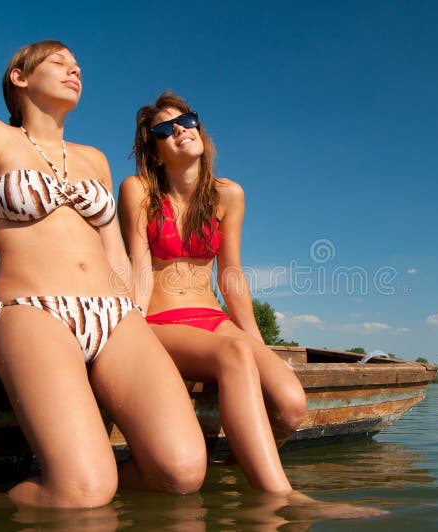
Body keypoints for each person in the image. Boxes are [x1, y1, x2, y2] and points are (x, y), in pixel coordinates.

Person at [0, 42, 207, 509]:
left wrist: (135, 319)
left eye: (77, 66)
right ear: (19, 77)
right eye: (58, 62)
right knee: (84, 490)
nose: (74, 69)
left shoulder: (94, 158)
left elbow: (116, 254)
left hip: (113, 315)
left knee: (182, 473)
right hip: (32, 311)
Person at [118, 91, 309, 494]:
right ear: (154, 151)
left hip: (214, 321)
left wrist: (257, 342)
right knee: (235, 354)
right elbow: (137, 265)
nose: (180, 131)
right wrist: (130, 333)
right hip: (160, 322)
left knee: (291, 406)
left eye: (186, 121)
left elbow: (231, 274)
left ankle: (234, 471)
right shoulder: (138, 190)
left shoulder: (229, 194)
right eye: (164, 129)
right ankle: (281, 498)